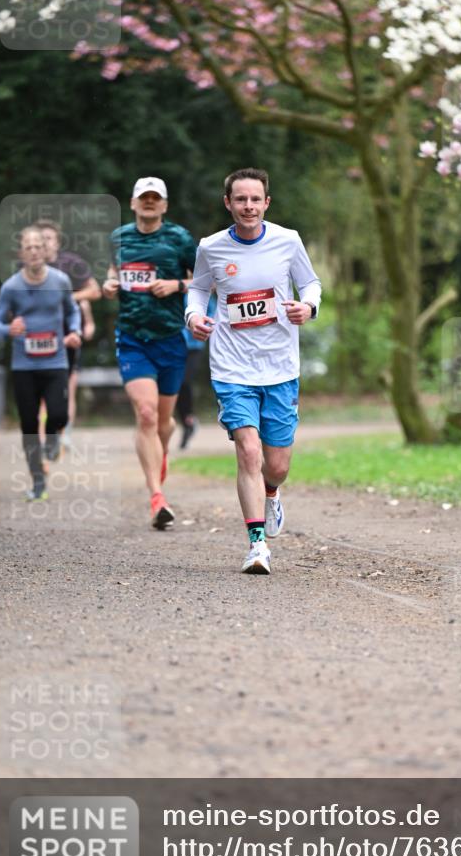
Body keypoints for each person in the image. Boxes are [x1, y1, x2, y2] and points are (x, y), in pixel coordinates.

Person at [186, 167, 321, 575]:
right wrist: (193, 314)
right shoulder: (211, 247)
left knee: (276, 464)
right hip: (231, 366)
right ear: (228, 203)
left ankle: (272, 492)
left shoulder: (288, 241)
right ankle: (257, 544)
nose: (248, 206)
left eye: (255, 199)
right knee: (248, 450)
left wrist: (308, 307)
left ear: (266, 203)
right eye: (240, 199)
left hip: (279, 366)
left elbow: (310, 284)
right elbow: (198, 289)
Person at [103, 177, 197, 529]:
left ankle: (162, 448)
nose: (150, 202)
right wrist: (109, 284)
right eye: (144, 197)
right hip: (132, 337)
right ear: (133, 202)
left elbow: (207, 280)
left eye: (156, 198)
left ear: (165, 206)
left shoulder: (180, 238)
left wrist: (176, 285)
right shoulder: (119, 237)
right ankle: (157, 498)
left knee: (163, 422)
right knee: (145, 413)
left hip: (170, 338)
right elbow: (113, 273)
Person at [0, 226, 82, 500]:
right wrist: (9, 329)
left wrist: (74, 332)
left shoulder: (61, 280)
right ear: (21, 253)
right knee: (28, 424)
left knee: (59, 415)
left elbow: (72, 311)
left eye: (37, 246)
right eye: (27, 247)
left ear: (46, 250)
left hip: (55, 362)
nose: (33, 251)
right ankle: (37, 481)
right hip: (24, 366)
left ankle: (52, 439)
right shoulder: (11, 287)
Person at [34, 220, 101, 451]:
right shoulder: (28, 268)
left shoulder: (71, 264)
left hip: (69, 335)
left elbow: (94, 290)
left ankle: (64, 434)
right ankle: (46, 436)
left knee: (66, 387)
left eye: (49, 238)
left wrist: (67, 299)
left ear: (58, 241)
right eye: (40, 239)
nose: (44, 243)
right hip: (39, 337)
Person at [176, 293, 217, 449]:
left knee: (184, 381)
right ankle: (187, 420)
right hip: (175, 344)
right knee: (175, 385)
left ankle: (188, 419)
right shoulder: (176, 292)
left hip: (194, 346)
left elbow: (214, 316)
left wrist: (202, 324)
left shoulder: (203, 294)